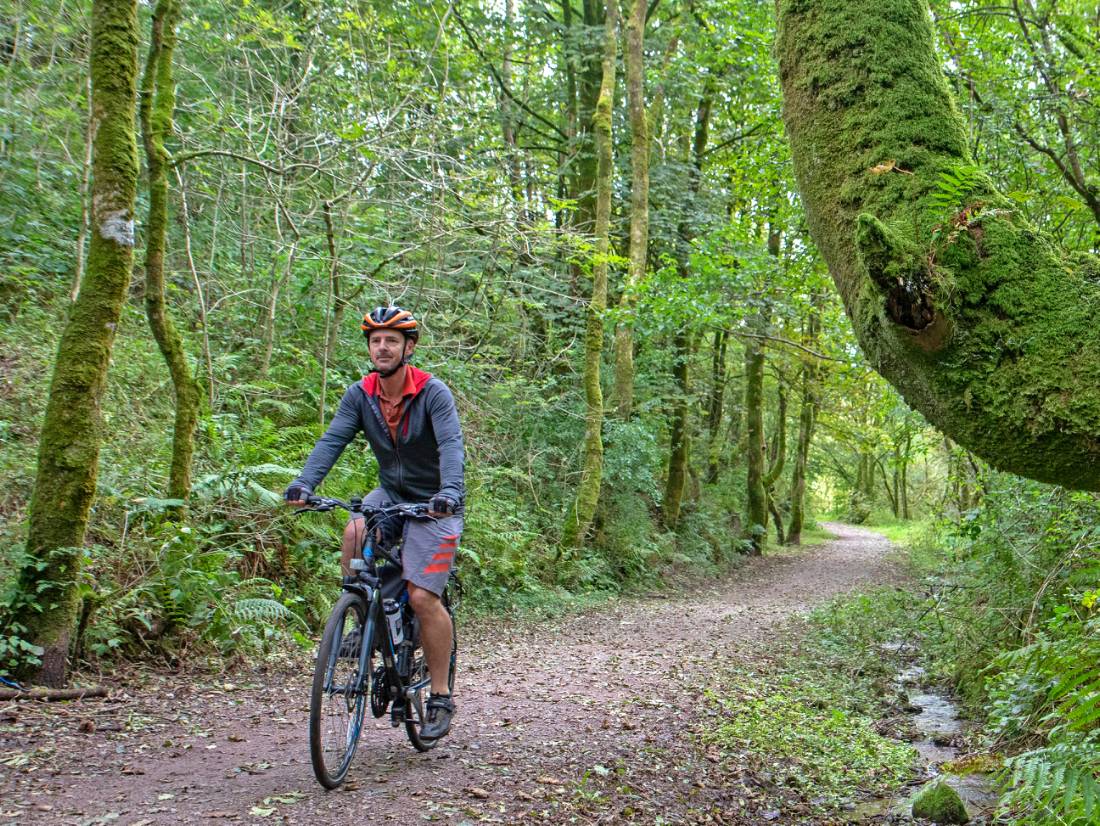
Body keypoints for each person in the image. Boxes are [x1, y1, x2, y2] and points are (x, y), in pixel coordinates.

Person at [284, 305, 464, 740]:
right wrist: (303, 483)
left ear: (409, 347)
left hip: (436, 501)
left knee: (422, 596)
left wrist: (450, 492)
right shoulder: (360, 394)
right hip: (391, 493)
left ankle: (439, 696)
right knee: (354, 528)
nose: (382, 347)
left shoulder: (432, 392)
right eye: (375, 340)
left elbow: (451, 445)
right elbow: (333, 440)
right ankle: (361, 614)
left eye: (391, 341)